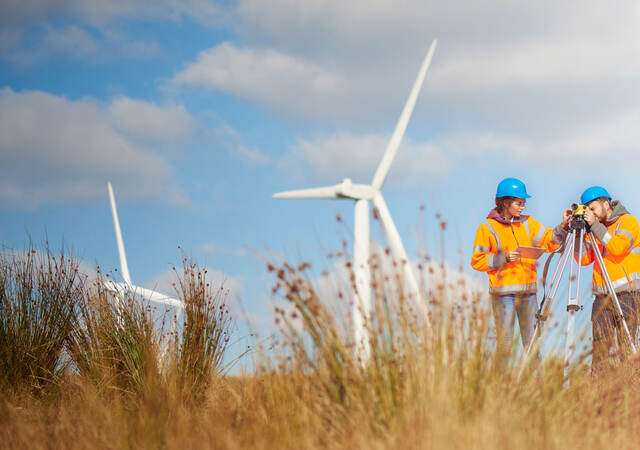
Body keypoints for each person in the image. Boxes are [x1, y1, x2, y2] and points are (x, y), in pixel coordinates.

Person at [471, 178, 568, 370]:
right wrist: (503, 258)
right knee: (506, 344)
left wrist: (563, 226)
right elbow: (477, 261)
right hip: (503, 296)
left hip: (528, 294)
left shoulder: (528, 223)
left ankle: (537, 385)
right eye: (519, 203)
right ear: (505, 202)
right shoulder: (487, 228)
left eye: (524, 203)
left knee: (532, 343)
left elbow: (551, 241)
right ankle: (503, 387)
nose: (523, 207)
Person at [573, 186, 640, 373]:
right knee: (600, 349)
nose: (591, 213)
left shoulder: (628, 222)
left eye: (593, 208)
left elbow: (618, 248)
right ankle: (598, 389)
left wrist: (595, 226)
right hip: (602, 298)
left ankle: (631, 385)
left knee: (627, 345)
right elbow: (584, 259)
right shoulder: (597, 229)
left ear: (605, 204)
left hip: (627, 295)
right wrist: (579, 232)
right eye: (587, 210)